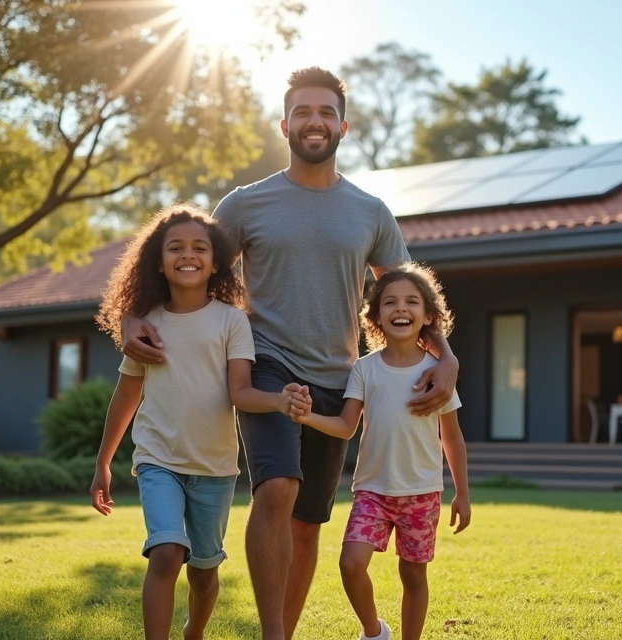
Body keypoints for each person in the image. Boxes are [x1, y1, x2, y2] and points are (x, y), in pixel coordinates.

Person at [120, 67, 460, 640]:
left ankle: (287, 633)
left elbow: (407, 294)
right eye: (303, 111)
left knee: (307, 525)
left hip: (337, 375)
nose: (315, 121)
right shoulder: (247, 204)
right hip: (266, 363)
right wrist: (131, 313)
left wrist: (444, 355)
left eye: (326, 112)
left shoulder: (370, 211)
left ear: (343, 125)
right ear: (284, 124)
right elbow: (184, 257)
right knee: (277, 488)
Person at [90, 204, 303, 640]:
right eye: (176, 248)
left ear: (215, 262)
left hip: (214, 468)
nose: (187, 255)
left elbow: (239, 392)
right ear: (159, 261)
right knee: (166, 553)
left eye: (199, 248)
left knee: (204, 574)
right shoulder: (144, 325)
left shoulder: (231, 321)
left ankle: (194, 631)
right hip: (158, 459)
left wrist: (279, 400)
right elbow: (128, 393)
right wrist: (103, 462)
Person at [289, 262, 470, 640]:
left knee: (413, 574)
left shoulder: (439, 374)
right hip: (373, 491)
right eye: (389, 302)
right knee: (351, 564)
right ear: (375, 316)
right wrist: (307, 418)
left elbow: (451, 437)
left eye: (411, 302)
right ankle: (374, 631)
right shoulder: (364, 370)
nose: (400, 309)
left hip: (422, 492)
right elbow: (345, 426)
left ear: (427, 316)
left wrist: (462, 494)